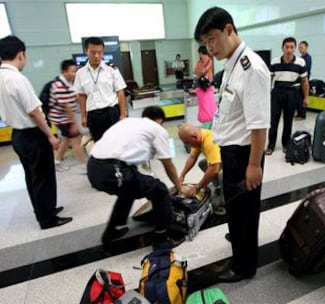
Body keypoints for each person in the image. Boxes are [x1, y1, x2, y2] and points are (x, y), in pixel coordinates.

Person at [194, 6, 270, 282]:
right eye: (205, 43)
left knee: (245, 211)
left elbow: (259, 124)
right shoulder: (232, 64)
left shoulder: (251, 68)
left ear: (229, 29)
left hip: (245, 153)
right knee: (236, 207)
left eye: (212, 39)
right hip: (233, 151)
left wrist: (253, 164)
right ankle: (239, 240)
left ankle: (244, 267)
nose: (209, 48)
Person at [87, 105, 185, 249]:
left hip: (94, 168)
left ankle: (111, 232)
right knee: (160, 190)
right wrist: (179, 187)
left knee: (128, 191)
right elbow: (168, 164)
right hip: (114, 171)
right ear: (160, 120)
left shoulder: (128, 122)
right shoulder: (157, 129)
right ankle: (162, 238)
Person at [0, 35, 72, 229]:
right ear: (21, 54)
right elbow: (34, 111)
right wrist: (49, 134)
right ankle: (48, 219)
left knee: (32, 177)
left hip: (17, 135)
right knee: (44, 177)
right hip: (33, 135)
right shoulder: (17, 78)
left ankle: (42, 210)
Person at [73, 37, 127, 142]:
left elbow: (120, 92)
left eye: (100, 52)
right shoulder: (80, 73)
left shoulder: (111, 69)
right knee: (99, 145)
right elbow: (82, 96)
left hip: (111, 113)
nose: (97, 56)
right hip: (93, 115)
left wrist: (123, 114)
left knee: (116, 142)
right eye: (93, 52)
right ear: (86, 51)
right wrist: (83, 116)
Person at [265, 37, 309, 155]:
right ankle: (271, 145)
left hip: (292, 93)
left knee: (288, 121)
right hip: (277, 92)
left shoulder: (300, 62)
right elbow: (269, 78)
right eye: (287, 47)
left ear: (295, 48)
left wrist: (306, 97)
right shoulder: (274, 61)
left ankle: (286, 144)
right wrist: (266, 94)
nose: (289, 50)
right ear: (282, 48)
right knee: (273, 120)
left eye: (292, 47)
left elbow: (304, 81)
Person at [48, 59, 86, 172]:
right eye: (72, 71)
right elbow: (66, 106)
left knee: (66, 140)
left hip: (65, 118)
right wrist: (74, 123)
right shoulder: (59, 85)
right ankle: (84, 167)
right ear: (64, 71)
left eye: (75, 71)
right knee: (76, 140)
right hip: (63, 119)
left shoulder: (68, 82)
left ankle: (57, 162)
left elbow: (75, 97)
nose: (75, 74)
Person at [177, 123, 224, 213]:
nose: (188, 145)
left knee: (222, 175)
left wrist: (197, 187)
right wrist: (182, 175)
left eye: (187, 142)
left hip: (237, 162)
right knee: (203, 164)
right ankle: (220, 186)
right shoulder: (198, 137)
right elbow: (192, 158)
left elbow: (214, 168)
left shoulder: (209, 141)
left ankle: (225, 204)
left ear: (194, 137)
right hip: (221, 160)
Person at [193, 45, 217, 129]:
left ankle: (209, 122)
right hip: (202, 86)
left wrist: (200, 72)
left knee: (207, 106)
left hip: (207, 86)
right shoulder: (200, 62)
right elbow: (195, 71)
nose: (200, 55)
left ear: (201, 53)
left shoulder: (209, 61)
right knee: (205, 105)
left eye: (200, 53)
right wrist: (200, 72)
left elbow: (201, 71)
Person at [296, 40, 312, 120]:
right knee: (299, 98)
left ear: (306, 47)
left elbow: (306, 70)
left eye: (301, 47)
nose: (300, 49)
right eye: (299, 48)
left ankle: (303, 114)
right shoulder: (301, 58)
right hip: (299, 81)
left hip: (304, 81)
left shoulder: (307, 58)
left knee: (303, 97)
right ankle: (299, 113)